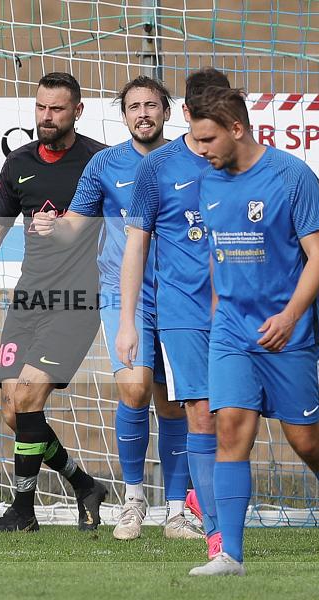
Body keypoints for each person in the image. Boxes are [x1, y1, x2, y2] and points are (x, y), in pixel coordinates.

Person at [185, 85, 319, 576]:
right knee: (230, 428)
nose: (200, 150)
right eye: (195, 140)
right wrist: (216, 315)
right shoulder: (207, 181)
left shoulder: (291, 177)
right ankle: (231, 555)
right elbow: (217, 253)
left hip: (287, 333)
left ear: (236, 129)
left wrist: (290, 316)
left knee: (307, 442)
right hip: (231, 330)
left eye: (207, 139)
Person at [0, 72, 108, 531]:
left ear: (77, 111)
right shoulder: (19, 163)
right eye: (40, 108)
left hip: (77, 301)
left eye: (56, 109)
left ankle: (23, 511)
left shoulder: (99, 162)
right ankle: (84, 484)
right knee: (14, 411)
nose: (46, 117)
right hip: (28, 299)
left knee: (29, 395)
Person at [34, 76, 201, 541]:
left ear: (167, 112)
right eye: (133, 107)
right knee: (133, 389)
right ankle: (133, 500)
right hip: (122, 296)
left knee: (173, 404)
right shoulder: (105, 164)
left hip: (182, 297)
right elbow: (75, 224)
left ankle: (177, 510)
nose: (143, 113)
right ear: (123, 115)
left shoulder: (194, 161)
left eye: (151, 105)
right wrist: (51, 224)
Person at [117, 68, 232, 558]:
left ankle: (197, 499)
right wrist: (126, 320)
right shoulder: (159, 166)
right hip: (180, 311)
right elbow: (135, 245)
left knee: (239, 420)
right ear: (184, 112)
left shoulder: (249, 162)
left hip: (240, 310)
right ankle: (213, 528)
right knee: (200, 414)